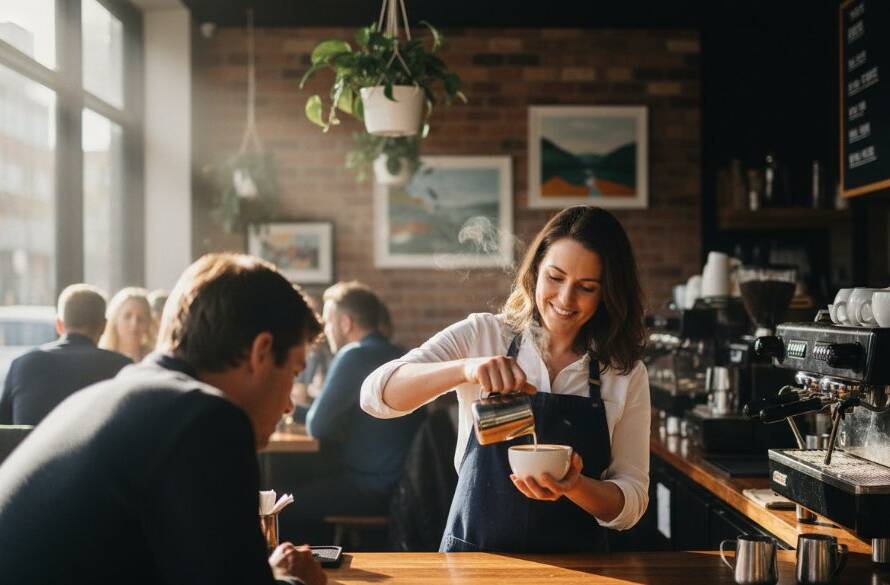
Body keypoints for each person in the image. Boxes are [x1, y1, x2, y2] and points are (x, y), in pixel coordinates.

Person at [0, 254, 327, 585]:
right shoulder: (205, 419)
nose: (288, 406)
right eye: (294, 371)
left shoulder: (110, 396)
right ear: (262, 352)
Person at [361, 205, 650, 553]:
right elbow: (375, 395)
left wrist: (573, 487)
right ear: (535, 271)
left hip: (579, 568)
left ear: (608, 293)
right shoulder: (483, 335)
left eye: (586, 287)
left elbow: (631, 502)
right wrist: (467, 368)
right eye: (555, 278)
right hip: (473, 560)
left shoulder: (622, 372)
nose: (564, 299)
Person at [285, 282, 425, 541]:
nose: (325, 332)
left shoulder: (354, 356)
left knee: (282, 502)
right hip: (404, 488)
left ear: (345, 323)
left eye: (327, 323)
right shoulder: (402, 355)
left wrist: (295, 409)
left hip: (372, 489)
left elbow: (318, 426)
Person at [0, 284, 132, 425]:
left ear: (59, 325)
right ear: (104, 326)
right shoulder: (123, 368)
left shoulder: (22, 364)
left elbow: (5, 428)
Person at [99, 287, 155, 362]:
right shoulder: (102, 358)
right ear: (115, 319)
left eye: (140, 318)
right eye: (127, 316)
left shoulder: (153, 359)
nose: (134, 324)